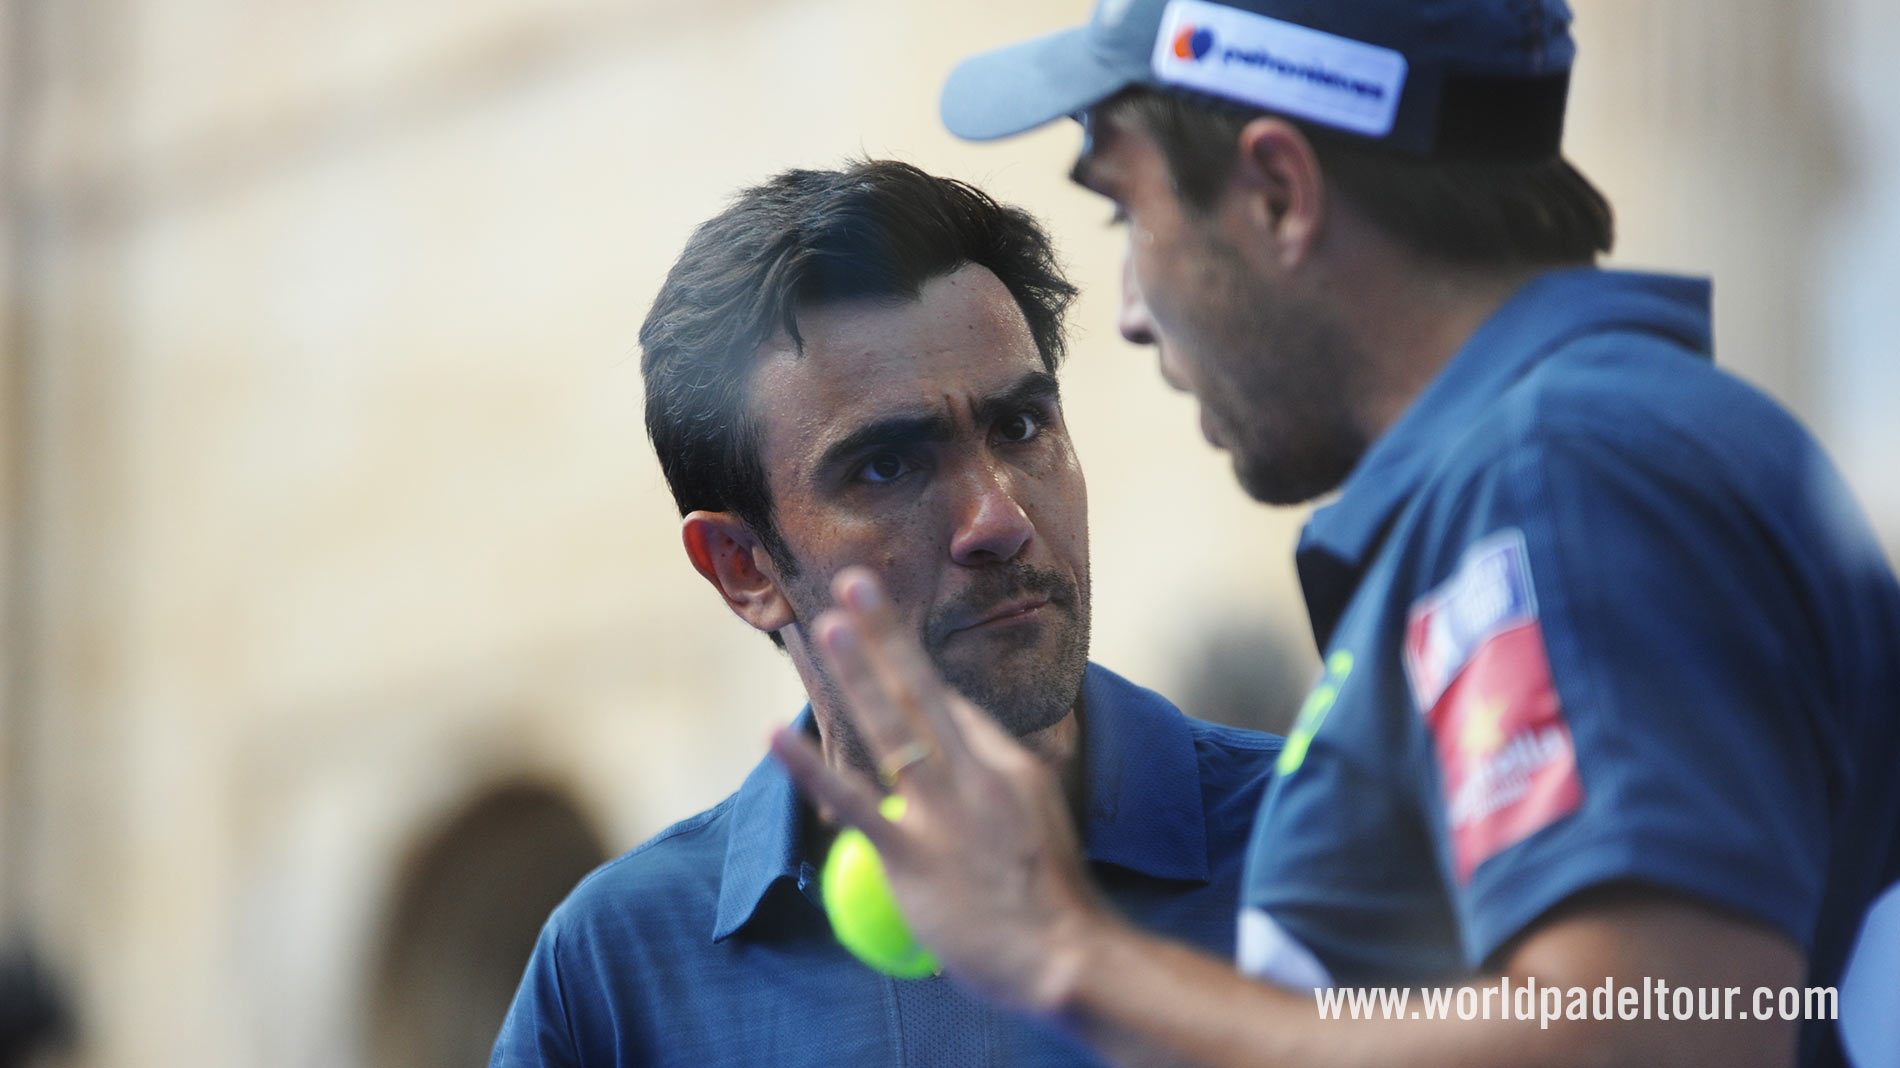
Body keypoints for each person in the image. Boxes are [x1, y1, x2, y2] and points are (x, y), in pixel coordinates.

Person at [770, 2, 1900, 1066]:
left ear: (1276, 193)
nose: (1125, 308)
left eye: (1129, 211)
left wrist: (1070, 953)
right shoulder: (1561, 468)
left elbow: (1654, 1033)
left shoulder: (1563, 473)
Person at [488, 160, 1283, 1066]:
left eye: (1021, 428)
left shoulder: (1335, 829)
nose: (998, 520)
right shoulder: (616, 966)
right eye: (886, 468)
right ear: (744, 568)